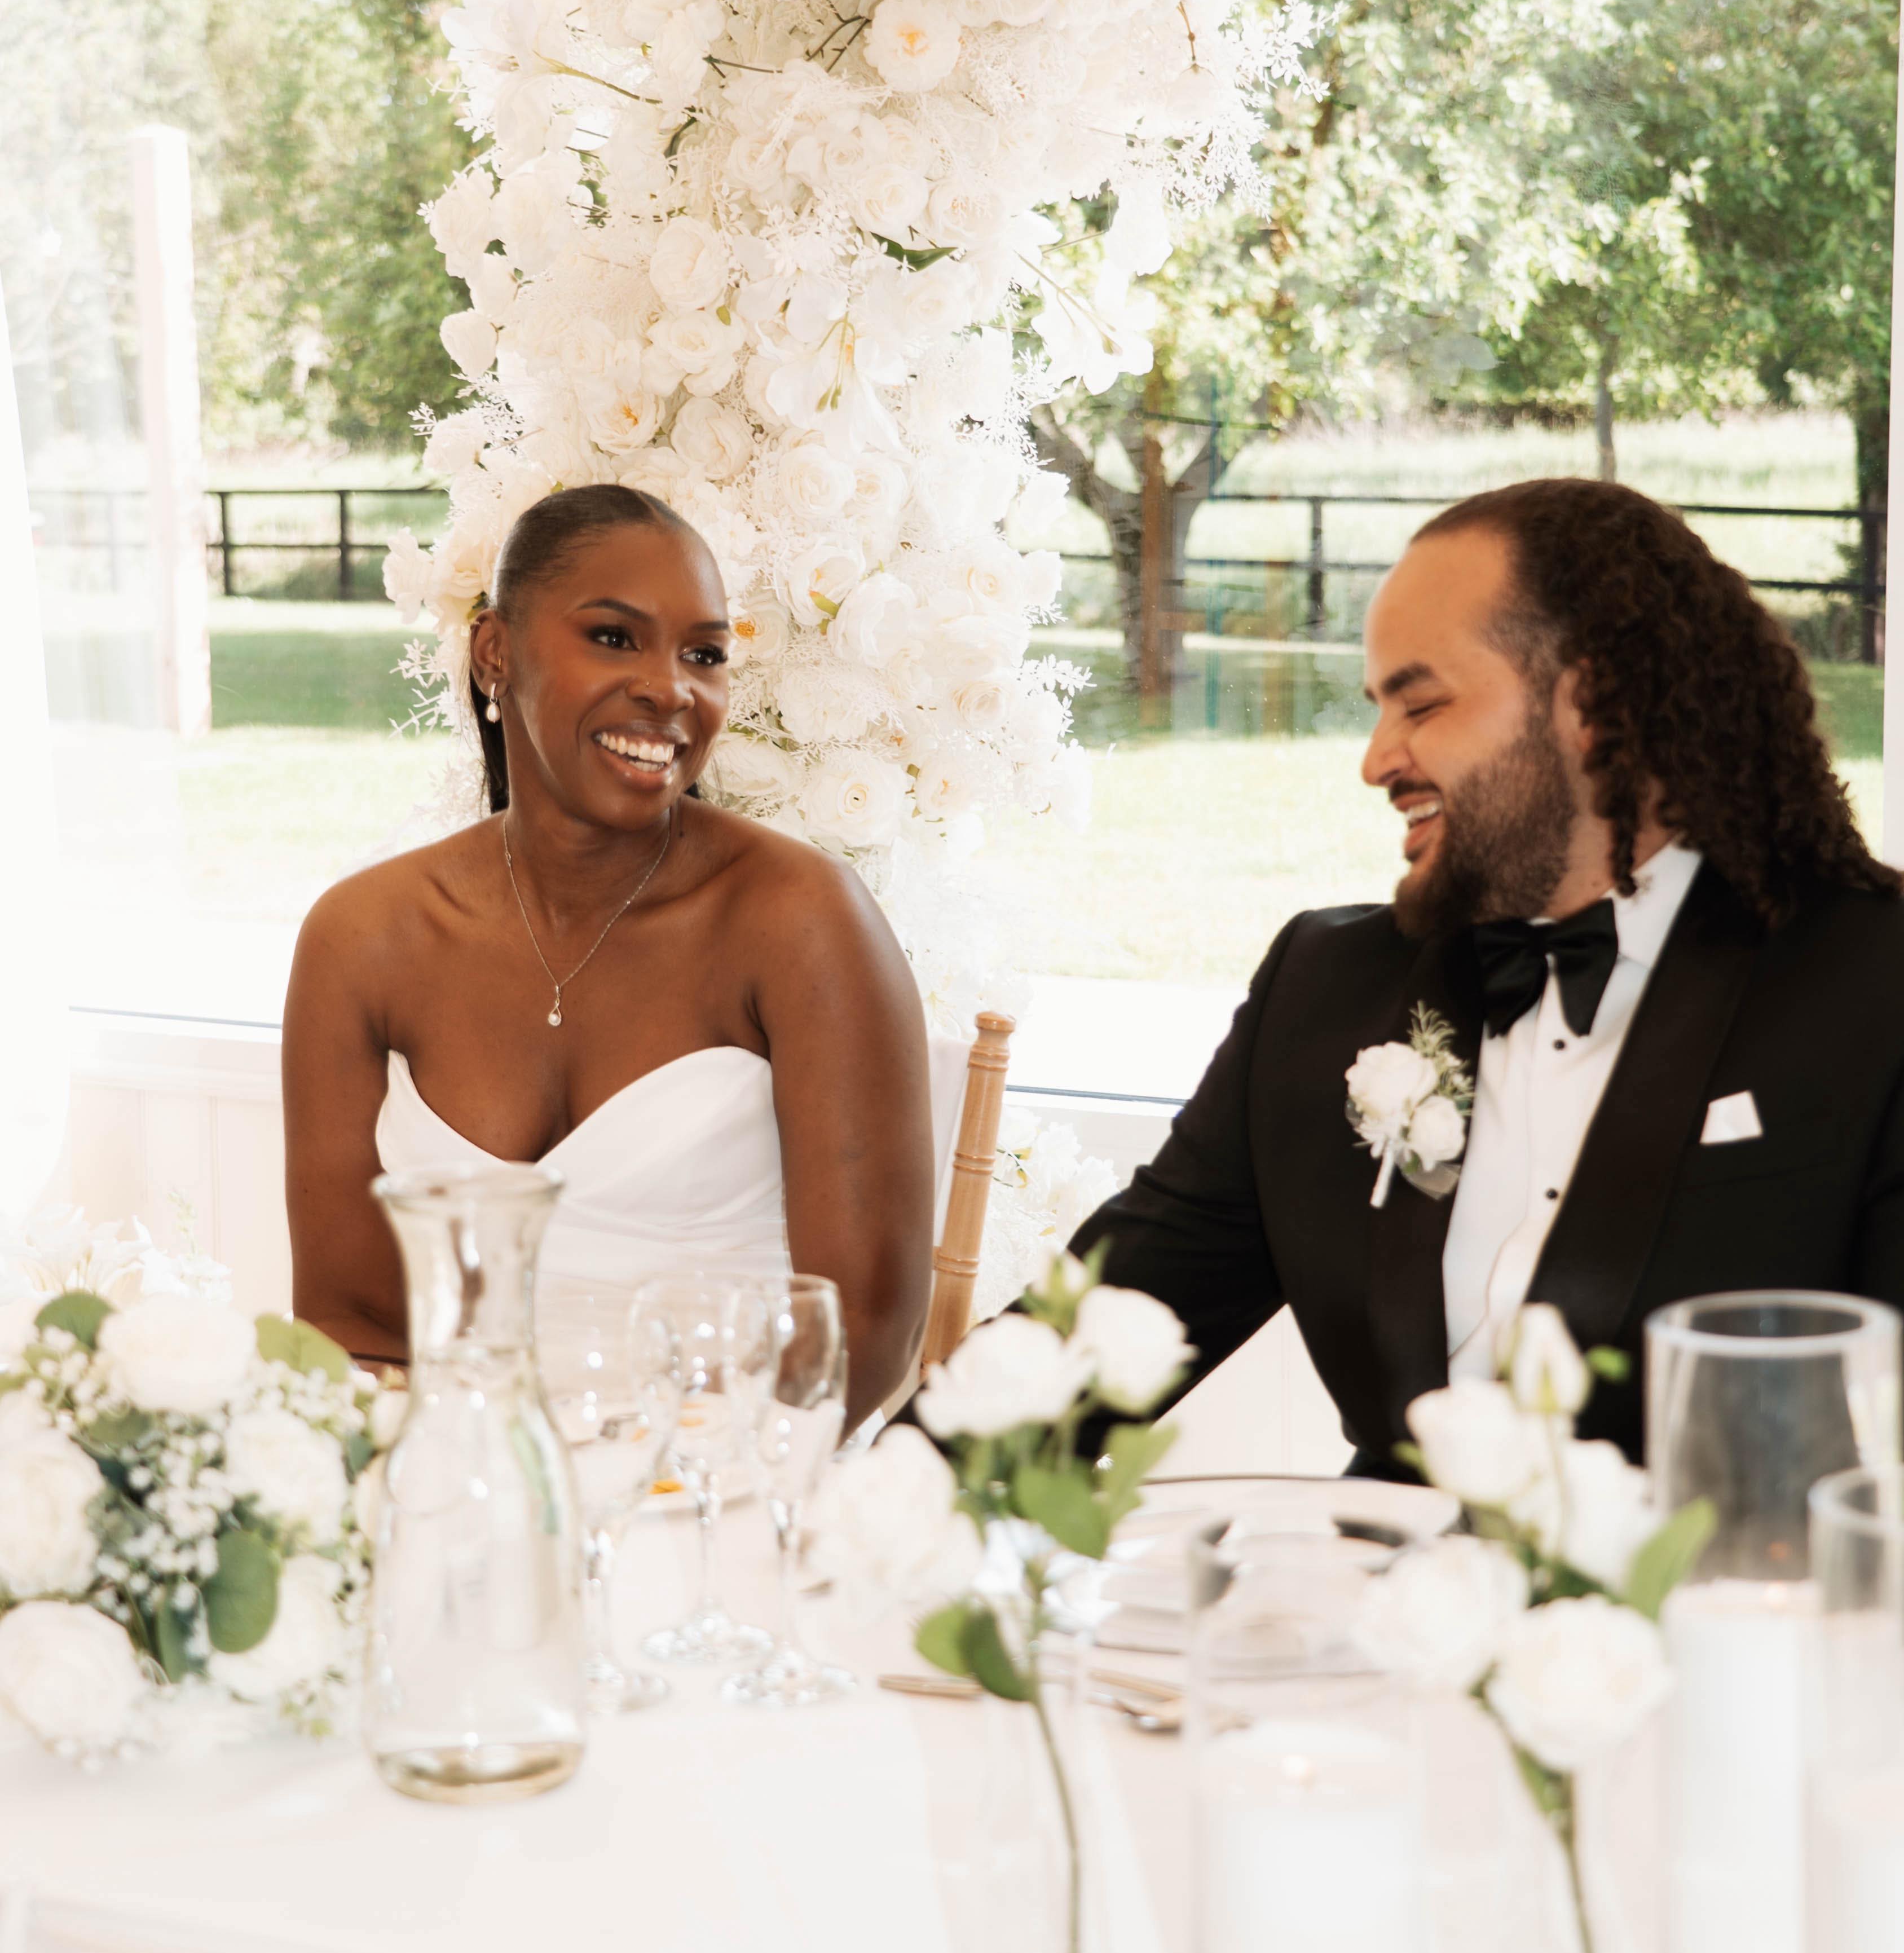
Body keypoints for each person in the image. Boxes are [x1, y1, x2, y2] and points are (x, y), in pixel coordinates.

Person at [1067, 478, 1904, 1468]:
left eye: (1420, 704)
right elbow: (1073, 1361)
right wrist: (855, 1531)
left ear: (1594, 701)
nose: (1378, 760)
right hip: (1376, 1608)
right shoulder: (1323, 990)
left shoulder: (1873, 984)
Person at [283, 483, 934, 1424]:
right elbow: (352, 1323)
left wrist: (657, 1499)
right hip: (468, 1488)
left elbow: (861, 1339)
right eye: (615, 637)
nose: (672, 688)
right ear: (495, 651)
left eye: (704, 655)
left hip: (733, 1489)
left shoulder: (800, 921)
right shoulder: (364, 936)